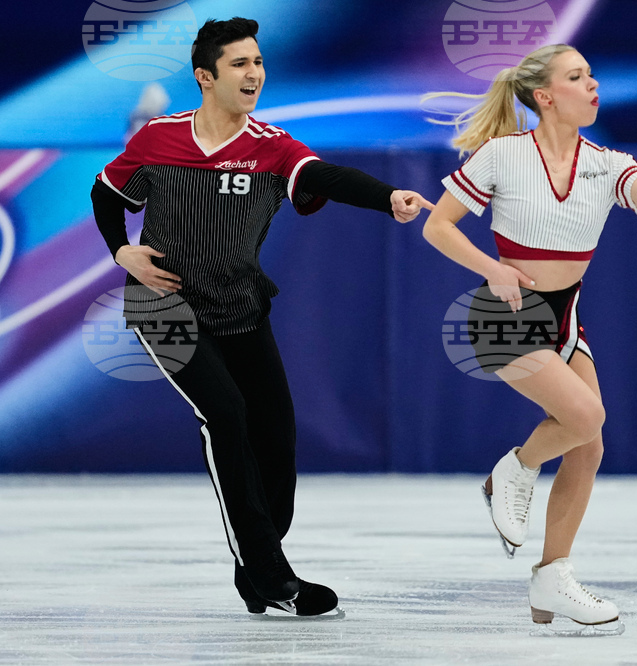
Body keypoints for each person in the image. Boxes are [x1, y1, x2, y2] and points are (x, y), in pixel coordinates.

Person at [90, 17, 433, 616]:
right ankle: (272, 576)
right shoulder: (158, 139)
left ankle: (257, 569)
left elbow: (324, 177)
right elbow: (106, 193)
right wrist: (122, 250)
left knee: (276, 438)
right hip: (162, 303)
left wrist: (387, 197)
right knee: (225, 413)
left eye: (258, 62)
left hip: (240, 305)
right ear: (206, 77)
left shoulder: (272, 147)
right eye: (240, 64)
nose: (255, 74)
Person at [422, 44, 637, 631]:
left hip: (564, 319)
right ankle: (513, 470)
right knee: (585, 416)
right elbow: (438, 225)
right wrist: (491, 267)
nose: (593, 84)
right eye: (577, 76)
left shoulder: (608, 164)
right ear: (545, 96)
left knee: (588, 444)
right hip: (505, 312)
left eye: (592, 75)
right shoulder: (503, 155)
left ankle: (551, 577)